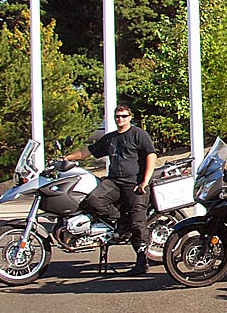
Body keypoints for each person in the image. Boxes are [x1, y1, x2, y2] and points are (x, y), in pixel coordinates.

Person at [64, 105, 157, 275]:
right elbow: (89, 151)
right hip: (114, 181)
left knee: (138, 222)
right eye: (117, 116)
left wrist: (145, 181)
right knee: (93, 200)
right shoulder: (111, 138)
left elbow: (151, 155)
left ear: (130, 117)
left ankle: (142, 261)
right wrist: (67, 158)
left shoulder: (139, 134)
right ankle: (121, 221)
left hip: (135, 183)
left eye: (123, 116)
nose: (120, 119)